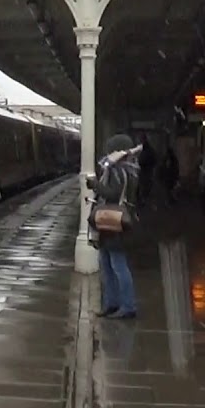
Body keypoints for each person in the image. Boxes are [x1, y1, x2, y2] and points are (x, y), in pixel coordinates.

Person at [90, 134, 140, 319]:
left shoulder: (120, 171)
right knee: (107, 263)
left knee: (117, 265)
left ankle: (127, 305)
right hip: (113, 223)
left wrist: (95, 185)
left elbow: (112, 194)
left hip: (115, 223)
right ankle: (112, 303)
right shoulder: (130, 169)